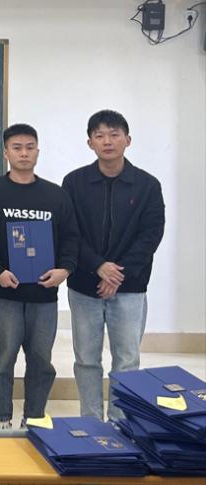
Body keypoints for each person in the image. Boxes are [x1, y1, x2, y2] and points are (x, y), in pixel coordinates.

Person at [0, 123, 80, 429]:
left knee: (41, 362)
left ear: (37, 151)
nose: (24, 153)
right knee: (2, 360)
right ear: (5, 152)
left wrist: (64, 270)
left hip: (44, 295)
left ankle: (33, 417)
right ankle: (1, 419)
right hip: (4, 293)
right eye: (16, 148)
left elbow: (71, 238)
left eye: (29, 147)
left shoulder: (55, 195)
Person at [62, 110, 165, 420]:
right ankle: (91, 422)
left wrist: (117, 274)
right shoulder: (74, 182)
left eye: (114, 134)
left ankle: (122, 425)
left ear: (127, 140)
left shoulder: (147, 185)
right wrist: (98, 266)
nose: (107, 141)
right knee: (86, 359)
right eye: (100, 135)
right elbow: (69, 232)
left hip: (130, 287)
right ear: (90, 143)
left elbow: (151, 234)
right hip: (84, 286)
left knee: (127, 360)